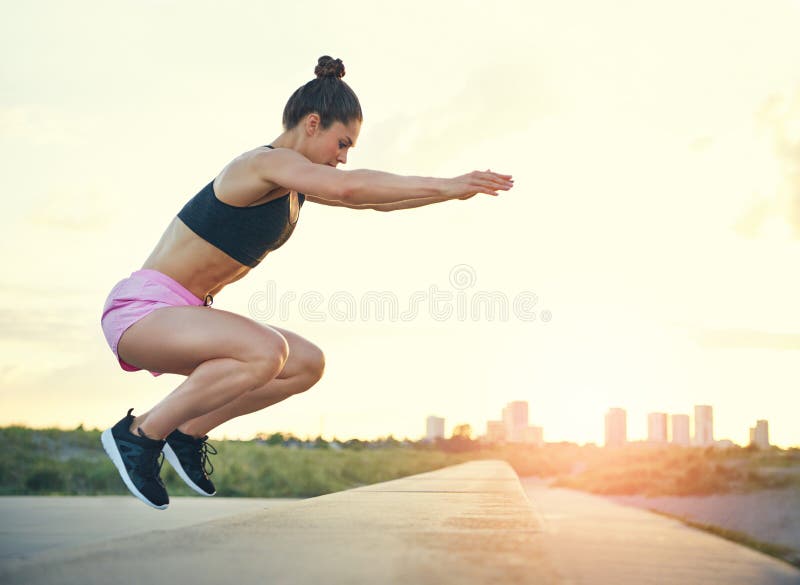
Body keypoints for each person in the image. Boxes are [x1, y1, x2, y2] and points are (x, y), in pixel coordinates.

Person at [99, 55, 514, 510]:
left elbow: (371, 202)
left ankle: (187, 430)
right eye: (342, 143)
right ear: (312, 123)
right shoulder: (259, 164)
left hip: (182, 316)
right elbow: (349, 188)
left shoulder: (292, 187)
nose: (344, 157)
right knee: (267, 352)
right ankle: (139, 435)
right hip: (142, 313)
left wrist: (451, 193)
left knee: (304, 364)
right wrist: (444, 183)